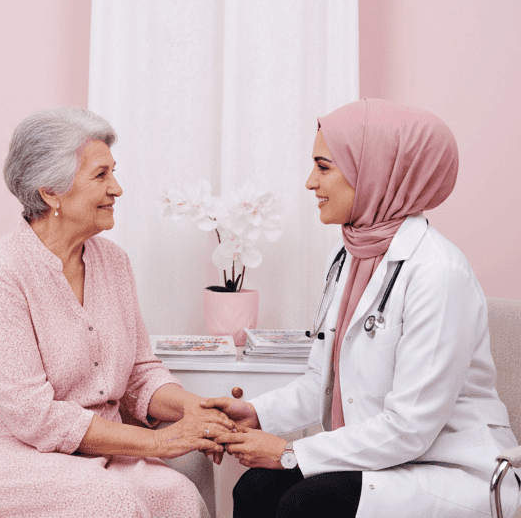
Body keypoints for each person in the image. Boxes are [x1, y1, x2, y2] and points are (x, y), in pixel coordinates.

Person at [203, 98, 521, 518]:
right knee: (254, 488)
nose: (310, 182)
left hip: (448, 466)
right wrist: (257, 413)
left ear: (374, 171)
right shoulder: (349, 258)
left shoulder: (439, 273)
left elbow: (410, 429)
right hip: (386, 459)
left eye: (323, 167)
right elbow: (323, 383)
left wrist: (289, 452)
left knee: (306, 503)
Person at [0, 107, 234, 518]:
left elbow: (139, 374)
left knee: (178, 498)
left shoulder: (113, 261)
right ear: (50, 192)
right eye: (100, 175)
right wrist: (159, 443)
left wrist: (197, 410)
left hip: (88, 447)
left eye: (113, 172)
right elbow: (34, 415)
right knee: (110, 503)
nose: (117, 188)